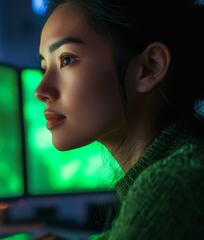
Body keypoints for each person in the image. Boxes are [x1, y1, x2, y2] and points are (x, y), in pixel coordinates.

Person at [35, 0, 204, 239]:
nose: (41, 89)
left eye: (66, 59)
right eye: (44, 68)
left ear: (149, 68)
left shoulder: (175, 184)